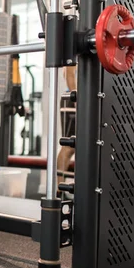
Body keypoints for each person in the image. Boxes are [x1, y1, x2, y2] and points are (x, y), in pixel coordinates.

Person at [57, 65, 77, 193]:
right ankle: (59, 187)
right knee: (69, 146)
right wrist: (77, 98)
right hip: (73, 99)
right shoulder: (76, 50)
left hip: (77, 98)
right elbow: (68, 73)